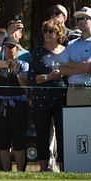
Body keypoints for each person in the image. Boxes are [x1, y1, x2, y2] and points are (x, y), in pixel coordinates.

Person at [28, 19, 67, 172]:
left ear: (59, 34)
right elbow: (32, 78)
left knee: (63, 134)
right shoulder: (37, 52)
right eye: (45, 31)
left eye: (51, 31)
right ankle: (44, 169)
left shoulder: (66, 51)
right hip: (42, 99)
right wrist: (49, 77)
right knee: (42, 134)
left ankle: (64, 167)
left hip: (62, 98)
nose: (47, 34)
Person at [0, 38, 29, 171]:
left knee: (19, 141)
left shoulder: (23, 65)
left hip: (18, 105)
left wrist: (17, 73)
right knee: (2, 142)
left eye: (10, 47)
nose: (7, 51)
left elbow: (26, 86)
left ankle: (21, 171)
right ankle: (6, 171)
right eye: (5, 48)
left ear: (17, 49)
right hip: (1, 106)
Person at [58, 7, 91, 106]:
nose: (80, 21)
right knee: (72, 122)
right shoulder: (71, 44)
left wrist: (70, 65)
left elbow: (89, 67)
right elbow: (61, 69)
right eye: (78, 19)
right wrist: (83, 67)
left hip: (90, 90)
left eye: (84, 18)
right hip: (72, 91)